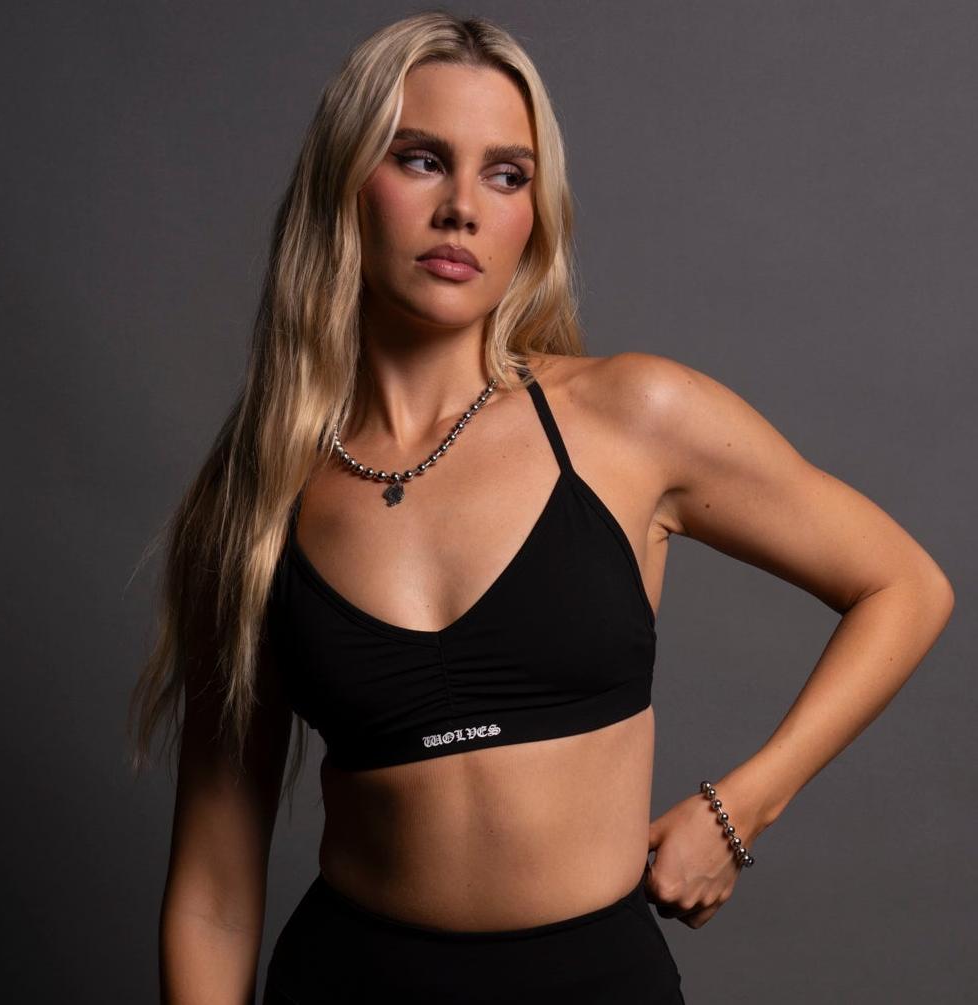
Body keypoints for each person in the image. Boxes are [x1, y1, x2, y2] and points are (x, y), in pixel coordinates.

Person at [128, 11, 955, 1004]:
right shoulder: (254, 498)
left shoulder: (630, 418)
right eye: (421, 159)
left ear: (536, 212)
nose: (462, 209)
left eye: (506, 174)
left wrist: (741, 807)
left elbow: (905, 585)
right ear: (344, 182)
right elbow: (215, 892)